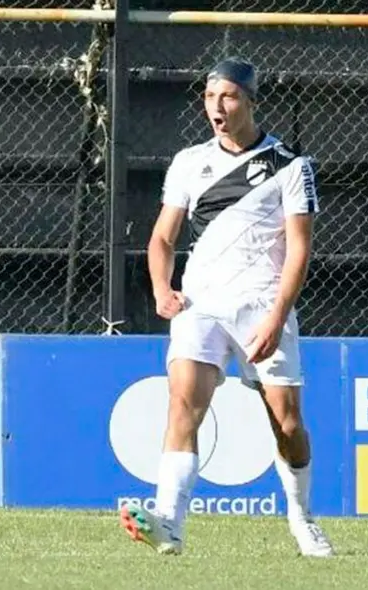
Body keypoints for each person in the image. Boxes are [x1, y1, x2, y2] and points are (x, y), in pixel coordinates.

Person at [119, 57, 334, 557]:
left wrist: (278, 317)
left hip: (263, 307)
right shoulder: (189, 162)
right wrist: (160, 289)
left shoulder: (290, 167)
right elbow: (161, 239)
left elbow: (300, 249)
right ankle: (169, 522)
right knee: (182, 405)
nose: (217, 107)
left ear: (251, 102)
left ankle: (302, 517)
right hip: (201, 306)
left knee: (287, 424)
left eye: (229, 97)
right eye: (210, 97)